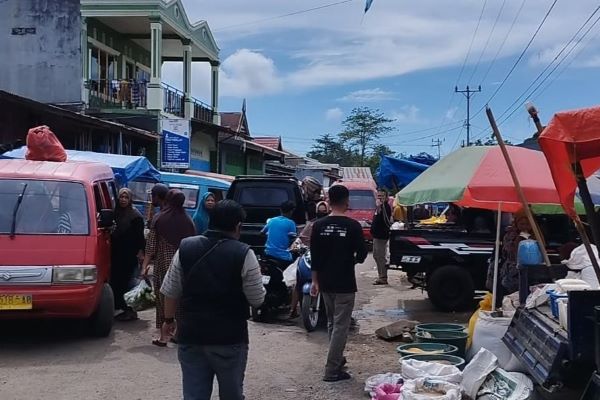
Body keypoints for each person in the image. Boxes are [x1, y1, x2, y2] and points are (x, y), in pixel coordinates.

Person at [160, 200, 265, 400]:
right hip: (229, 339)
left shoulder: (186, 247)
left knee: (194, 395)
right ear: (237, 226)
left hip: (192, 335)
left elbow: (170, 290)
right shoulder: (244, 253)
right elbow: (257, 299)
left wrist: (168, 320)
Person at [310, 185, 368, 382]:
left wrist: (315, 281)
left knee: (331, 323)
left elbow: (315, 257)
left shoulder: (318, 226)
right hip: (344, 282)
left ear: (328, 200)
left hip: (325, 282)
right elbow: (361, 256)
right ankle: (332, 369)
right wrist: (350, 258)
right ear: (347, 201)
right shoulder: (353, 227)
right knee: (340, 326)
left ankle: (338, 358)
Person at [142, 189, 196, 346]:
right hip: (184, 264)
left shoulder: (159, 218)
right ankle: (178, 333)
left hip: (164, 264)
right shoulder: (188, 220)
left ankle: (163, 336)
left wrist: (144, 266)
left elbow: (151, 246)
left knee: (163, 298)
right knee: (180, 299)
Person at [110, 188, 145, 321]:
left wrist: (141, 254)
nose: (123, 200)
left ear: (130, 199)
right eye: (121, 197)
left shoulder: (135, 216)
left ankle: (130, 310)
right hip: (115, 255)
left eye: (126, 197)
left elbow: (140, 239)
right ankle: (119, 308)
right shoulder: (115, 213)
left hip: (129, 256)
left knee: (128, 283)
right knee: (116, 282)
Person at [262, 201, 297, 265]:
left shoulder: (272, 220)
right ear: (291, 211)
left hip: (267, 253)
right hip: (283, 257)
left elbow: (261, 232)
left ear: (280, 210)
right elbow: (293, 239)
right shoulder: (291, 223)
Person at [371, 189, 392, 285]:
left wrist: (380, 206)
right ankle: (381, 275)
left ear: (386, 197)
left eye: (382, 196)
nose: (380, 198)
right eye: (378, 196)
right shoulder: (378, 207)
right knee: (376, 255)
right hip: (376, 235)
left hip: (381, 235)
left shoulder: (385, 207)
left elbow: (384, 220)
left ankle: (383, 277)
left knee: (380, 256)